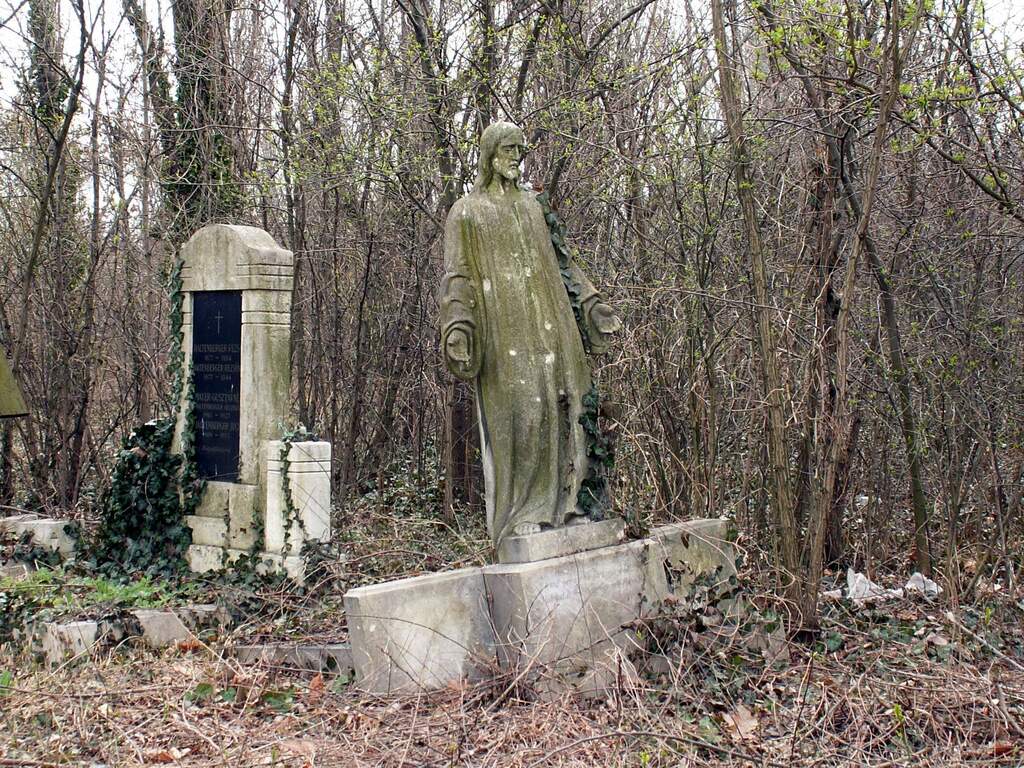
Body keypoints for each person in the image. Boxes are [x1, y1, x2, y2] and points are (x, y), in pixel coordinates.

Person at [440, 121, 620, 546]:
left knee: (572, 407)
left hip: (554, 326)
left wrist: (590, 303)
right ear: (489, 154)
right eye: (509, 148)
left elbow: (564, 265)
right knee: (524, 415)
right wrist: (458, 327)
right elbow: (457, 277)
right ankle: (526, 510)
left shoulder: (534, 207)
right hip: (505, 334)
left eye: (521, 149)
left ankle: (574, 506)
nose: (516, 157)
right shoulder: (466, 212)